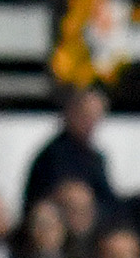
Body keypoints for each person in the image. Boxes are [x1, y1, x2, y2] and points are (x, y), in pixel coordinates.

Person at [24, 86, 117, 215]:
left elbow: (107, 200)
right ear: (71, 113)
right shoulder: (54, 155)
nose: (91, 123)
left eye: (95, 117)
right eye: (86, 116)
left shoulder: (95, 158)